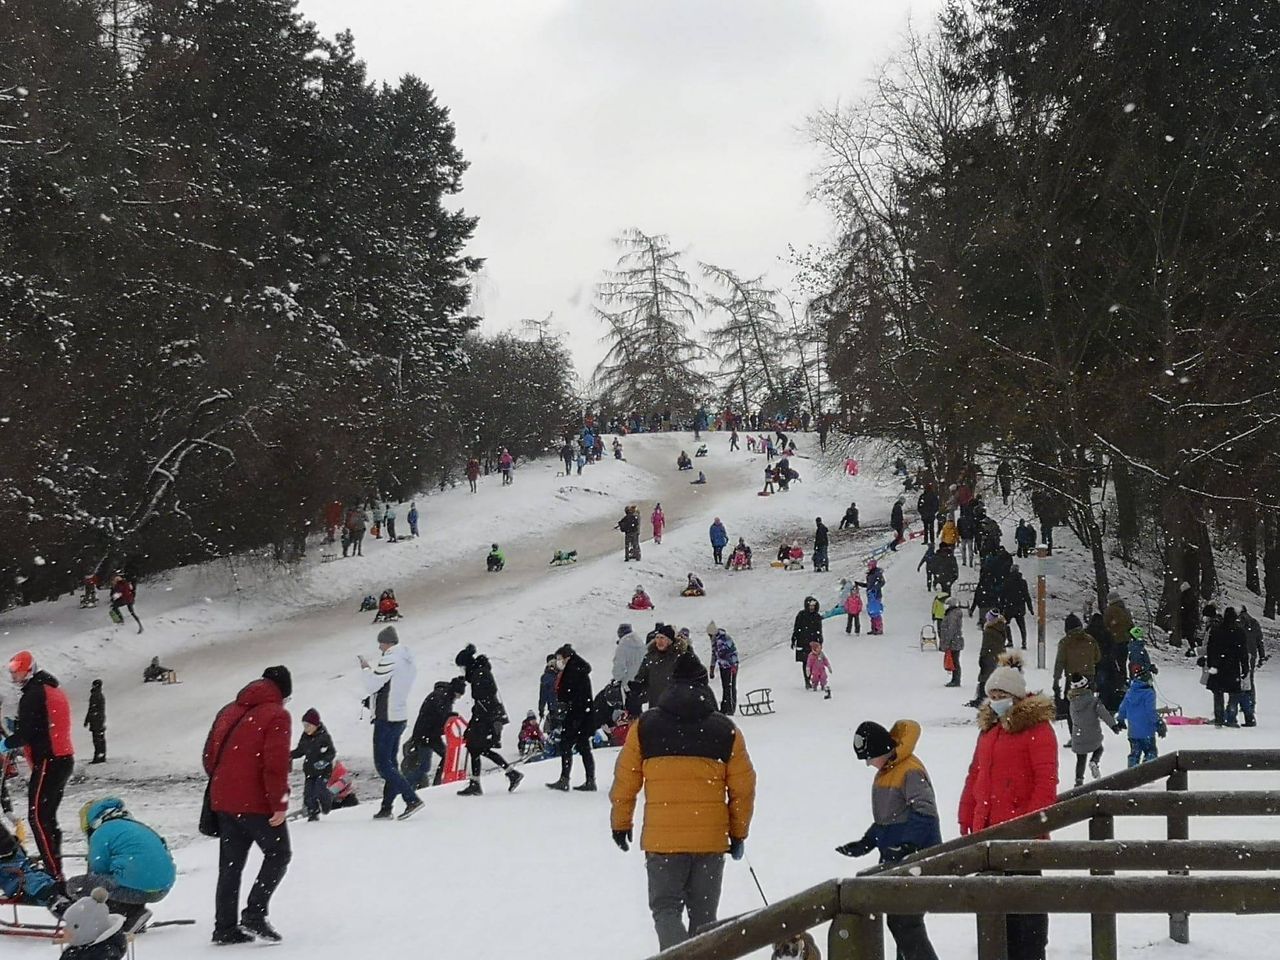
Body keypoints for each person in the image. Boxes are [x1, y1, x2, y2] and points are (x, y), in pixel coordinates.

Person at [609, 654, 756, 951]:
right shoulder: (725, 730)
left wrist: (621, 821)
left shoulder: (646, 726)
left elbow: (626, 779)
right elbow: (743, 787)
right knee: (704, 918)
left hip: (663, 840)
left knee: (666, 909)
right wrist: (738, 833)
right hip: (710, 841)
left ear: (671, 685)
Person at [958, 653, 1057, 960]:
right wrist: (966, 814)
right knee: (994, 909)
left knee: (1026, 911)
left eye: (1001, 695)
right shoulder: (989, 731)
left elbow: (1046, 782)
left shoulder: (1038, 730)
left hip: (1022, 837)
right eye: (992, 695)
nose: (996, 700)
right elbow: (976, 774)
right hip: (987, 833)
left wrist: (1029, 826)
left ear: (1015, 696)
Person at [202, 666, 293, 944]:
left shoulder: (229, 710)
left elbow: (209, 755)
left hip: (223, 800)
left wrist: (227, 783)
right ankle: (254, 913)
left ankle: (225, 927)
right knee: (278, 854)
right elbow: (275, 765)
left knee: (230, 866)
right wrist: (278, 803)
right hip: (255, 802)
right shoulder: (277, 715)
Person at [836, 721, 942, 960]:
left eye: (869, 758)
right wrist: (867, 842)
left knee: (905, 922)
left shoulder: (909, 770)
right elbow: (888, 821)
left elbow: (924, 813)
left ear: (882, 751)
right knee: (899, 920)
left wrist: (908, 845)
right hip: (898, 861)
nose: (869, 764)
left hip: (917, 860)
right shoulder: (887, 773)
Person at [4, 651, 75, 882]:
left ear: (30, 669)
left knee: (37, 817)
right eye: (12, 673)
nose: (15, 677)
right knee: (47, 816)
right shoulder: (49, 688)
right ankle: (55, 864)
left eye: (17, 672)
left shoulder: (33, 694)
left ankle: (53, 871)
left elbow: (27, 733)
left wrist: (6, 743)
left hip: (49, 760)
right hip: (62, 758)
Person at [67, 797, 175, 933]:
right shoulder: (138, 826)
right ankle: (134, 913)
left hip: (137, 887)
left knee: (83, 884)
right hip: (161, 887)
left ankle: (125, 916)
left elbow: (97, 870)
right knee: (125, 877)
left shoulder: (101, 833)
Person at [358, 626, 422, 820]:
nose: (380, 648)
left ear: (387, 643)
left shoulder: (391, 659)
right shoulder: (407, 660)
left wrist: (366, 668)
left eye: (381, 644)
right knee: (392, 764)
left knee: (383, 765)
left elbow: (372, 685)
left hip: (386, 718)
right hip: (399, 716)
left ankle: (411, 799)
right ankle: (386, 807)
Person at [454, 644, 523, 796]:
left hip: (486, 718)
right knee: (479, 749)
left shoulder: (479, 675)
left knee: (475, 747)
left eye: (462, 667)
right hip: (488, 717)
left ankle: (477, 783)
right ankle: (509, 773)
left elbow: (484, 700)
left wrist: (480, 719)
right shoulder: (481, 672)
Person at [546, 644, 595, 791]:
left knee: (567, 745)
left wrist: (570, 713)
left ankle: (565, 779)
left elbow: (572, 695)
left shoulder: (573, 671)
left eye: (560, 659)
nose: (558, 662)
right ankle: (590, 780)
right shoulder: (577, 669)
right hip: (581, 714)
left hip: (576, 715)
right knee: (583, 746)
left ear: (566, 657)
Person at [405, 677, 464, 788]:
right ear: (456, 691)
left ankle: (435, 784)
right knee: (424, 765)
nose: (458, 698)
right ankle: (410, 787)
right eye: (459, 695)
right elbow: (441, 716)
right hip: (426, 734)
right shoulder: (443, 697)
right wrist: (449, 716)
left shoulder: (442, 695)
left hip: (429, 734)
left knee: (443, 757)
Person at [627, 625, 697, 715]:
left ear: (670, 640)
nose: (659, 641)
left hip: (677, 707)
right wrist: (637, 688)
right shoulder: (650, 657)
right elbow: (642, 679)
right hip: (656, 706)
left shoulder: (681, 657)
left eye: (662, 638)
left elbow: (693, 679)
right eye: (657, 638)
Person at [1065, 674, 1119, 787]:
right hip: (1092, 732)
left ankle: (1078, 781)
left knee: (1081, 759)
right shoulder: (1093, 701)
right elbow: (1103, 713)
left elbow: (1073, 717)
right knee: (1099, 748)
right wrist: (1113, 725)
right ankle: (1094, 761)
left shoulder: (1072, 702)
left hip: (1078, 734)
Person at [55, 887, 128, 960]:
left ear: (87, 930)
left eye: (73, 927)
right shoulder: (80, 948)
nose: (64, 929)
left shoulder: (102, 955)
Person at [1115, 664, 1167, 767]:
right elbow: (1150, 712)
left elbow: (1123, 707)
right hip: (1147, 730)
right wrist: (1158, 723)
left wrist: (1120, 719)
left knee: (1135, 753)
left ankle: (1131, 773)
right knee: (1150, 751)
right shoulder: (1149, 693)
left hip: (1133, 731)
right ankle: (1148, 772)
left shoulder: (1131, 692)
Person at [290, 709, 336, 821]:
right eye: (304, 726)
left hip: (323, 771)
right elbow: (300, 750)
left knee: (319, 789)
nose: (306, 729)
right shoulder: (305, 737)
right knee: (308, 794)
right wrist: (289, 755)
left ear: (315, 725)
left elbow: (331, 752)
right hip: (310, 770)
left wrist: (324, 762)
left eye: (308, 726)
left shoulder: (324, 737)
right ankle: (313, 813)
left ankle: (327, 800)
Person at [1205, 607, 1248, 727]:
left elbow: (1210, 648)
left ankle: (1219, 718)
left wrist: (1211, 664)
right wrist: (1245, 667)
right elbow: (1243, 652)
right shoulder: (1239, 632)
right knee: (1234, 694)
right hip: (1232, 667)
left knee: (1218, 694)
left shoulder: (1216, 630)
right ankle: (1231, 717)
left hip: (1218, 666)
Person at [967, 612, 1008, 708]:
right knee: (992, 676)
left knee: (984, 677)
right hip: (998, 655)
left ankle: (982, 698)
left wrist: (982, 656)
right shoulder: (1000, 627)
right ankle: (987, 697)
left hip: (989, 656)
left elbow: (985, 646)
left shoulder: (989, 631)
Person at [790, 597, 823, 689]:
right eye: (810, 605)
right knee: (805, 662)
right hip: (802, 641)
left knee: (813, 661)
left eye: (813, 606)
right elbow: (796, 627)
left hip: (813, 642)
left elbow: (819, 630)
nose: (812, 607)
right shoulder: (801, 615)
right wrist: (794, 638)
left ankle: (814, 679)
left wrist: (820, 641)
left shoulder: (817, 616)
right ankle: (807, 680)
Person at [707, 622, 739, 715]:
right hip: (723, 666)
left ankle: (731, 708)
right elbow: (714, 654)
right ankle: (724, 707)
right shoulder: (714, 640)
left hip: (731, 666)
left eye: (709, 635)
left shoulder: (724, 639)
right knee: (725, 687)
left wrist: (733, 665)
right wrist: (712, 667)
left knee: (730, 686)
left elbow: (731, 652)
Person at [1240, 605, 1262, 726]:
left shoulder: (1239, 623)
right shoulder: (1254, 622)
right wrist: (1261, 655)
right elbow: (1260, 640)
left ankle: (1242, 704)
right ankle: (1250, 703)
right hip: (1252, 654)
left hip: (1242, 654)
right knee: (1250, 679)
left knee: (1242, 679)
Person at [940, 597, 965, 687]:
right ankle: (955, 679)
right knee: (954, 660)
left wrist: (946, 642)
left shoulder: (952, 615)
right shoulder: (952, 613)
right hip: (955, 640)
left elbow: (951, 629)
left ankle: (956, 680)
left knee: (955, 661)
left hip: (954, 641)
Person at [85, 679, 107, 764]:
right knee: (100, 739)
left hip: (96, 720)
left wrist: (87, 720)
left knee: (97, 739)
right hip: (99, 720)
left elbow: (92, 709)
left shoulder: (95, 695)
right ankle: (101, 755)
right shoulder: (99, 695)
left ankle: (98, 756)